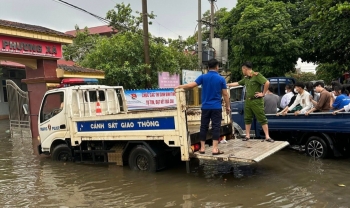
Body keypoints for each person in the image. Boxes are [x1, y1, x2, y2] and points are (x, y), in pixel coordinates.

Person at [174, 58, 230, 155]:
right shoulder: (221, 79)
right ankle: (215, 149)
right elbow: (225, 94)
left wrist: (180, 86)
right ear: (217, 67)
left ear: (208, 67)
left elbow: (192, 85)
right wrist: (227, 106)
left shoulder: (203, 77)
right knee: (215, 127)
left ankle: (203, 148)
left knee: (203, 127)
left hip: (205, 107)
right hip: (216, 107)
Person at [227, 61, 274, 142]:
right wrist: (226, 84)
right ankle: (247, 136)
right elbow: (237, 83)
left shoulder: (256, 75)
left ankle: (267, 136)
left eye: (242, 70)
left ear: (245, 69)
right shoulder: (246, 79)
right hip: (248, 101)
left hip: (256, 101)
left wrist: (263, 94)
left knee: (262, 118)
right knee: (247, 118)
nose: (242, 71)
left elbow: (267, 82)